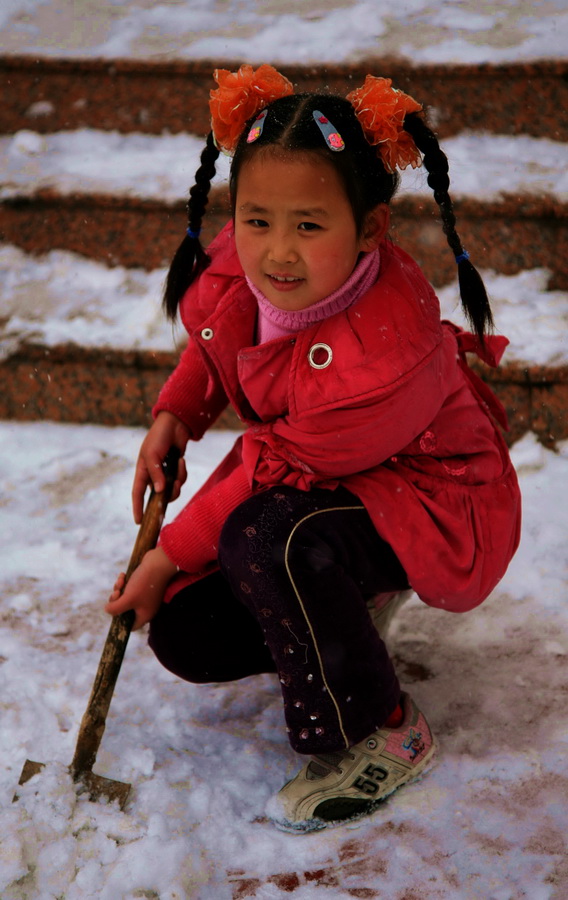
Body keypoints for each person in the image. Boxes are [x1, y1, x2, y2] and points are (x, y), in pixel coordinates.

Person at [106, 65, 521, 831]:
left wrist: (168, 551)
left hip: (434, 499)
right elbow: (221, 326)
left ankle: (381, 728)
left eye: (309, 224)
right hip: (341, 485)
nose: (276, 252)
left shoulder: (379, 355)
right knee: (189, 632)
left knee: (268, 538)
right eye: (258, 219)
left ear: (369, 229)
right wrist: (177, 412)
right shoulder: (256, 253)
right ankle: (347, 601)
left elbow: (271, 468)